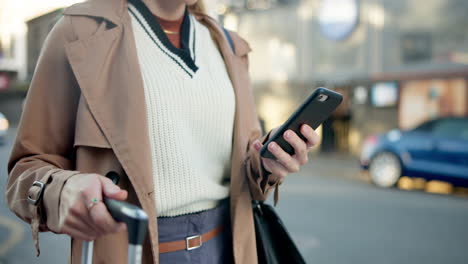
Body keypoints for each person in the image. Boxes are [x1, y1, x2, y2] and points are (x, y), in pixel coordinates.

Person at [6, 0, 319, 263]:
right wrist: (63, 189)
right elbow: (27, 168)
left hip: (231, 250)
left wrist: (268, 163)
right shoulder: (80, 31)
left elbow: (244, 174)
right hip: (132, 250)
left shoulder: (230, 46)